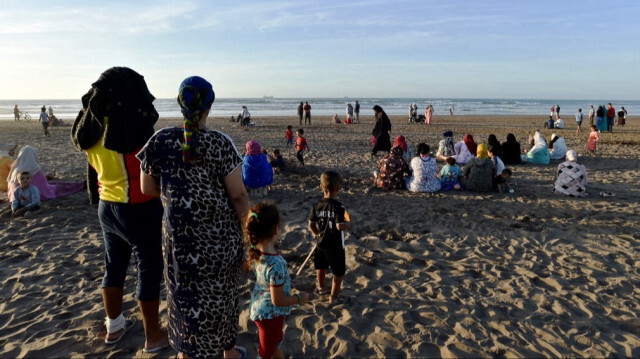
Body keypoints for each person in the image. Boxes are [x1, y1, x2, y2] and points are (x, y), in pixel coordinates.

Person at [137, 75, 249, 358]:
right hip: (219, 240)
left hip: (179, 238)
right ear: (209, 106)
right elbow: (238, 196)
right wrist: (248, 232)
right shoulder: (221, 143)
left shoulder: (160, 140)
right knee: (222, 296)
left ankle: (186, 352)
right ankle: (229, 351)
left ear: (179, 104)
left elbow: (146, 187)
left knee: (181, 295)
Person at [70, 67, 167, 353]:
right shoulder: (130, 131)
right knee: (148, 268)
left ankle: (114, 327)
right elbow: (150, 173)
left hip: (106, 205)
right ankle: (153, 336)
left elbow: (93, 167)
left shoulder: (91, 130)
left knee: (114, 266)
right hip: (138, 207)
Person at [242, 202, 309, 359]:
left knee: (275, 340)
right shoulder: (276, 264)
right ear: (275, 229)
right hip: (270, 314)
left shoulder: (255, 251)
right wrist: (299, 299)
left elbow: (245, 268)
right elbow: (277, 300)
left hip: (261, 308)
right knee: (266, 352)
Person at [308, 170, 351, 304]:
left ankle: (321, 287)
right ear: (338, 189)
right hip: (336, 246)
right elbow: (339, 226)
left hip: (321, 244)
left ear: (321, 187)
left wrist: (318, 234)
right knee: (338, 272)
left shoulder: (317, 205)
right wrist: (348, 225)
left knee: (320, 267)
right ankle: (333, 296)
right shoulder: (338, 207)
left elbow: (311, 224)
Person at [7, 146, 84, 202]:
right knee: (60, 186)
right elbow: (45, 188)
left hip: (15, 196)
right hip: (30, 196)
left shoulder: (15, 169)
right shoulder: (35, 169)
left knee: (54, 183)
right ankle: (81, 185)